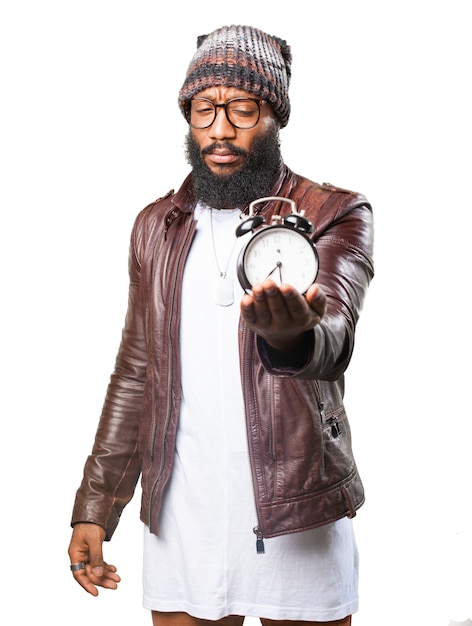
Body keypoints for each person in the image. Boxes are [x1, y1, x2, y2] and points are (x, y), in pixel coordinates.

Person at [68, 24, 374, 626]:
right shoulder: (156, 225)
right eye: (204, 110)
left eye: (243, 109)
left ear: (274, 117)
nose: (221, 130)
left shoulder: (334, 211)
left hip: (298, 505)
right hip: (182, 509)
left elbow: (334, 330)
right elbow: (136, 372)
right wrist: (95, 506)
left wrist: (295, 335)